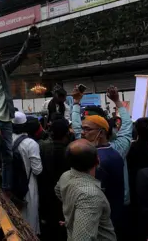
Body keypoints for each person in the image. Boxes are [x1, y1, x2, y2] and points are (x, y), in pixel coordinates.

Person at [0, 25, 37, 196]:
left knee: (8, 155)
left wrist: (30, 39)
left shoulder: (3, 70)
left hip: (5, 119)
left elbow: (20, 57)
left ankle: (6, 189)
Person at [72, 86, 130, 237]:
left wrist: (117, 102)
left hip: (109, 210)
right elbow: (77, 128)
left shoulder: (90, 152)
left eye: (87, 129)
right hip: (106, 207)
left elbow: (127, 126)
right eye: (83, 129)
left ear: (101, 132)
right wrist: (76, 103)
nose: (82, 133)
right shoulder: (87, 148)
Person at [55, 139, 116, 241]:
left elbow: (58, 191)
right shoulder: (90, 195)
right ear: (97, 160)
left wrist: (76, 217)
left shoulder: (65, 176)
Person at [37, 118, 70, 241]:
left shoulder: (41, 147)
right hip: (64, 196)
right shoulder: (71, 150)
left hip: (45, 193)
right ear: (67, 133)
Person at [11, 111, 42, 235]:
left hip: (10, 187)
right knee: (29, 218)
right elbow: (37, 170)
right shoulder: (30, 144)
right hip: (28, 187)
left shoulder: (5, 141)